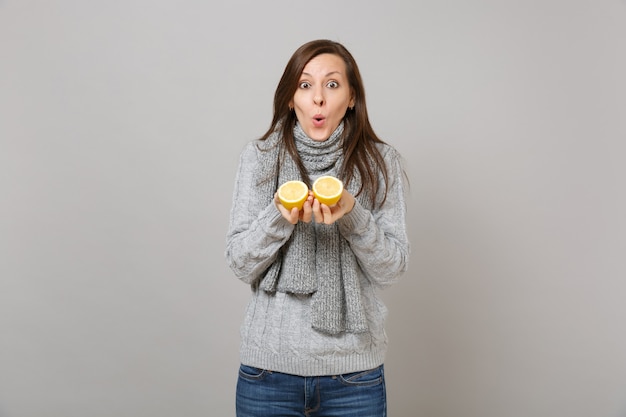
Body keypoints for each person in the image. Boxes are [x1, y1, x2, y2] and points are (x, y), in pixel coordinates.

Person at [225, 39, 410, 417]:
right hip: (267, 374)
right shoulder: (260, 158)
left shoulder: (380, 161)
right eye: (306, 85)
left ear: (352, 97)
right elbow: (240, 262)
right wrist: (279, 217)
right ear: (291, 99)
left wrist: (353, 216)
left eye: (332, 84)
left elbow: (392, 268)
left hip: (354, 378)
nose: (319, 99)